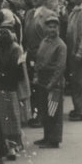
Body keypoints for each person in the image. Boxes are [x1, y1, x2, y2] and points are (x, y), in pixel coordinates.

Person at [32, 16, 67, 147]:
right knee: (45, 111)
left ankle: (54, 140)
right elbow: (38, 60)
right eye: (49, 26)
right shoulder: (44, 41)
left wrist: (52, 83)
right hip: (42, 80)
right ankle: (46, 136)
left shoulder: (61, 45)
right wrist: (36, 76)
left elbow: (60, 67)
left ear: (58, 28)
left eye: (54, 27)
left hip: (54, 83)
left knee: (54, 111)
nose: (52, 29)